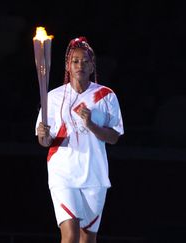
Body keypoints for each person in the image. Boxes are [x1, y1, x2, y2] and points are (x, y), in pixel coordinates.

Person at [35, 36, 124, 243]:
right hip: (63, 174)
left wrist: (91, 125)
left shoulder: (106, 96)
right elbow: (45, 142)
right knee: (70, 235)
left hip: (94, 175)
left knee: (87, 238)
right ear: (67, 65)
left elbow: (113, 138)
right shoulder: (52, 98)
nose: (80, 65)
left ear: (92, 66)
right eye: (75, 60)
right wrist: (44, 136)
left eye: (85, 61)